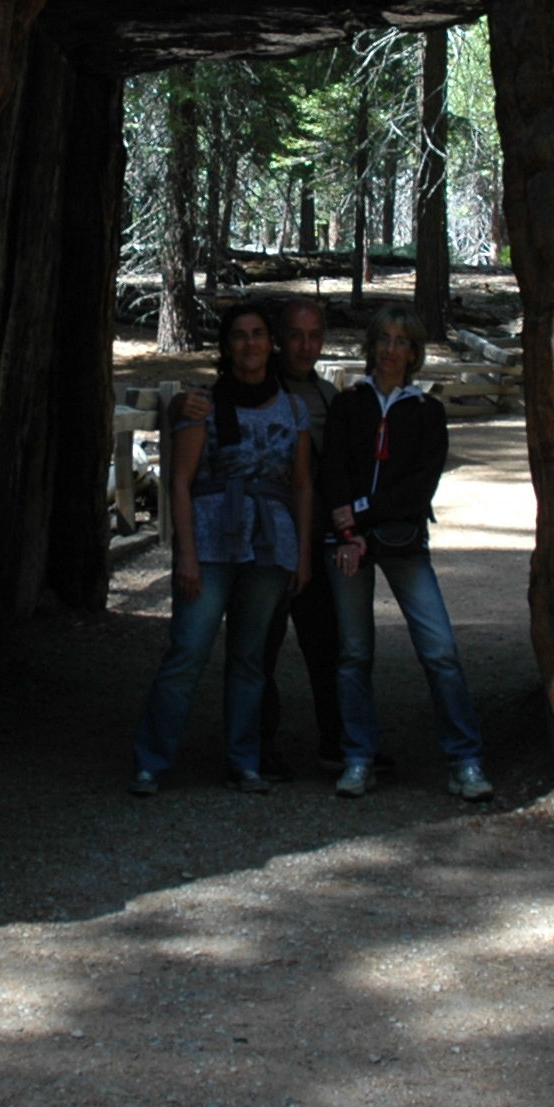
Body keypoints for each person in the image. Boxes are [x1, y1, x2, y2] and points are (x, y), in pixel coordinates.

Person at [130, 302, 315, 795]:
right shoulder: (202, 406)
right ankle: (152, 760)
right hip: (211, 543)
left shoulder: (293, 409)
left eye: (258, 333)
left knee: (251, 658)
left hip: (270, 545)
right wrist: (185, 554)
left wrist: (303, 553)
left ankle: (244, 760)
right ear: (226, 345)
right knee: (188, 651)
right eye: (239, 335)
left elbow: (300, 484)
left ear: (269, 342)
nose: (250, 343)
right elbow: (182, 484)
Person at [322, 307, 491, 801]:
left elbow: (418, 488)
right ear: (371, 346)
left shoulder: (427, 412)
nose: (391, 350)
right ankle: (358, 757)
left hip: (399, 541)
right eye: (384, 340)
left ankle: (466, 759)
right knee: (353, 653)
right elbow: (333, 467)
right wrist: (346, 524)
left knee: (439, 649)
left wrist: (360, 520)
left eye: (402, 342)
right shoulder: (348, 405)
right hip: (349, 541)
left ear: (415, 353)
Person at [183, 295, 347, 777]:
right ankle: (259, 743)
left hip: (309, 539)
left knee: (325, 644)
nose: (304, 346)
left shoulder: (324, 397)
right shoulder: (255, 385)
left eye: (314, 337)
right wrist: (179, 403)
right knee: (260, 646)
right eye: (295, 336)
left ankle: (337, 742)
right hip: (262, 542)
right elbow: (203, 405)